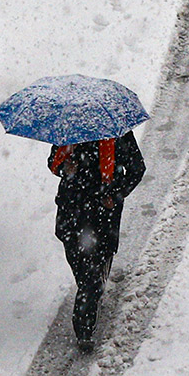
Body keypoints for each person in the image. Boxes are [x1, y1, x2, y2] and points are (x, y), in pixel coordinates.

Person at [49, 130, 145, 348]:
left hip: (101, 216)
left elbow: (137, 169)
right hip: (71, 213)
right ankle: (88, 298)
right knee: (81, 267)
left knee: (91, 275)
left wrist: (116, 193)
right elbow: (52, 162)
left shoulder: (117, 134)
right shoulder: (68, 132)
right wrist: (65, 167)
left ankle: (84, 328)